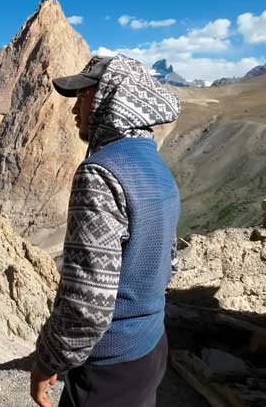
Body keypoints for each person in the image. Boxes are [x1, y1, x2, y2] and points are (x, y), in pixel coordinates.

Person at [30, 55, 181, 407]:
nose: (75, 110)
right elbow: (166, 260)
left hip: (110, 365)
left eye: (83, 97)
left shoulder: (100, 173)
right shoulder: (156, 167)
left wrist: (49, 360)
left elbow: (87, 304)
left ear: (108, 100)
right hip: (151, 345)